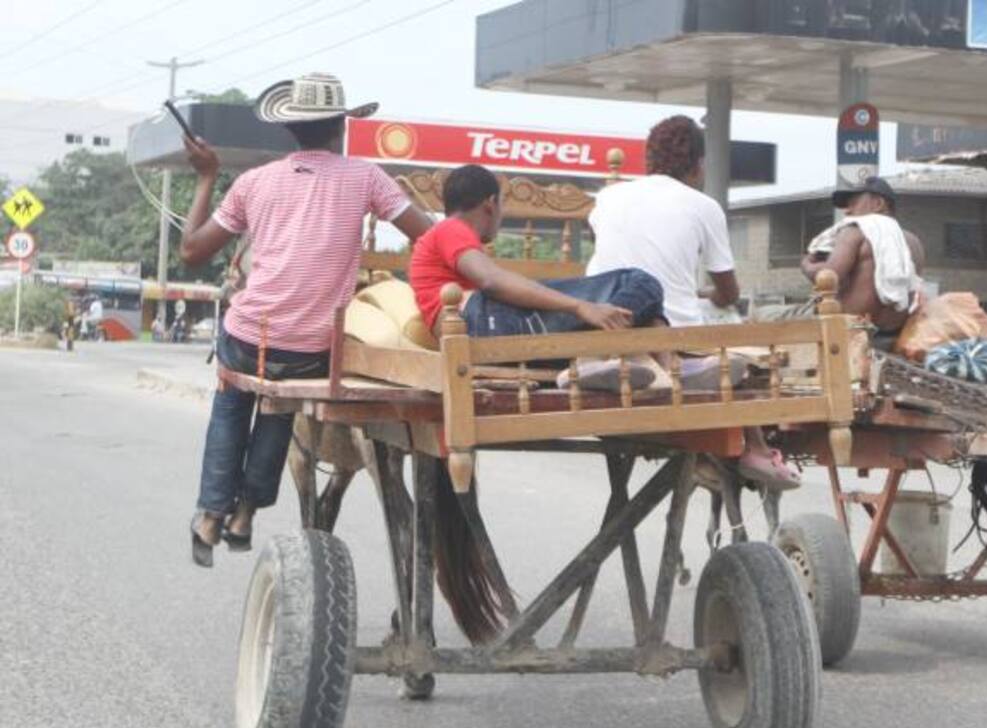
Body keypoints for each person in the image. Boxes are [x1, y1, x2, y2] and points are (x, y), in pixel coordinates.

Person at [178, 73, 433, 568]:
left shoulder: (253, 183)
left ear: (290, 130)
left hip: (251, 337)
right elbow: (426, 234)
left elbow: (190, 250)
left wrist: (207, 175)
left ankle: (211, 515)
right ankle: (247, 512)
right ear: (342, 124)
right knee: (279, 403)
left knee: (233, 400)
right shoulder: (367, 178)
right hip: (315, 348)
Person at [586, 114, 801, 491]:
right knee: (737, 346)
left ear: (648, 159)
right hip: (674, 330)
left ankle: (649, 371)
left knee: (668, 332)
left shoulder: (607, 197)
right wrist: (711, 295)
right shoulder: (703, 206)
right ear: (699, 164)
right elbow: (729, 292)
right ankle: (755, 446)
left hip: (605, 322)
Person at [408, 163, 666, 391]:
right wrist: (580, 306)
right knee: (640, 282)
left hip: (483, 329)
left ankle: (660, 367)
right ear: (490, 204)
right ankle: (599, 355)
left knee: (645, 310)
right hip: (483, 322)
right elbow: (491, 280)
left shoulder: (443, 236)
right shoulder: (451, 229)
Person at [801, 176, 926, 351]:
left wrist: (806, 264)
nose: (847, 211)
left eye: (853, 202)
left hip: (850, 330)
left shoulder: (855, 230)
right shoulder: (914, 242)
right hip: (892, 334)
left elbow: (828, 277)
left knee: (765, 314)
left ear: (878, 204)